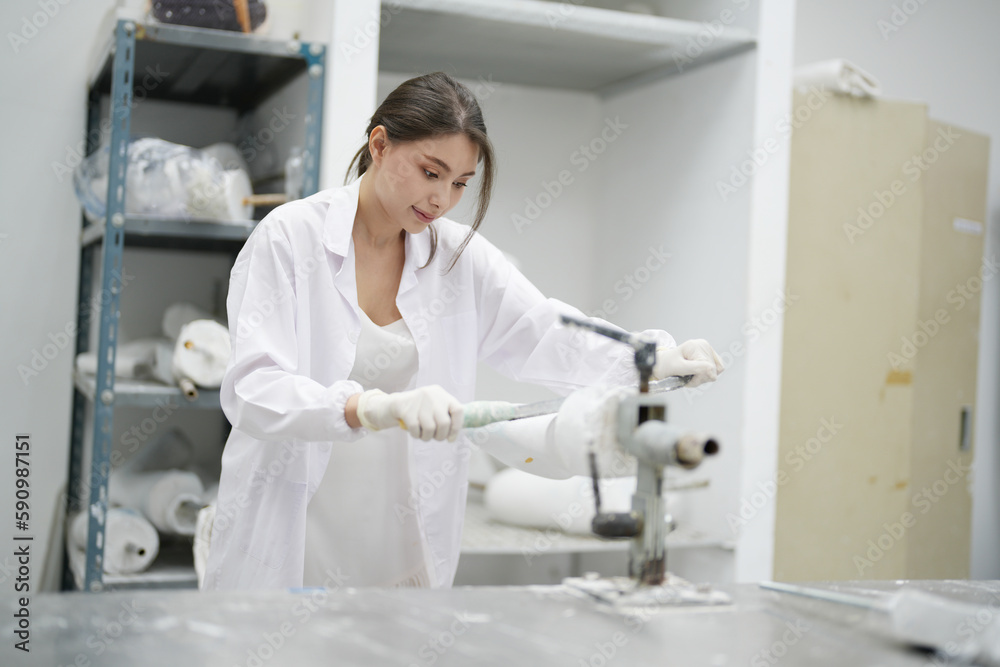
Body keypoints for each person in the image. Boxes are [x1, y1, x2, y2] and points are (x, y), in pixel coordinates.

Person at [202, 72, 724, 591]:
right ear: (379, 145)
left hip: (397, 535)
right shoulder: (290, 238)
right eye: (431, 172)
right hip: (291, 526)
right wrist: (369, 407)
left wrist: (649, 356)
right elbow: (253, 389)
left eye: (459, 184)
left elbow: (543, 330)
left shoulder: (457, 258)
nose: (441, 200)